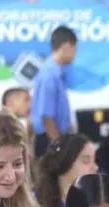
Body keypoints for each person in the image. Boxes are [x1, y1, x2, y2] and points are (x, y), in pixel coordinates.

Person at [31, 26, 77, 157]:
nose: (75, 54)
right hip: (50, 140)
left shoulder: (58, 73)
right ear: (67, 46)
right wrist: (59, 146)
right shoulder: (49, 75)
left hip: (55, 138)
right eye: (74, 49)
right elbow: (47, 118)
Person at [34, 133, 98, 207]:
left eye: (94, 161)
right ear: (65, 164)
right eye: (86, 161)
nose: (95, 167)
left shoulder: (100, 204)